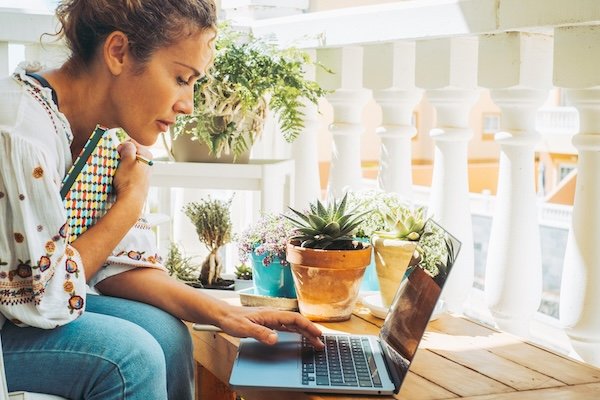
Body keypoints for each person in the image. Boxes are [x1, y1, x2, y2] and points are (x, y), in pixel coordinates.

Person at [0, 0, 324, 399]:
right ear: (118, 52)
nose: (188, 105)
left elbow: (117, 266)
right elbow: (46, 297)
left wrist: (228, 313)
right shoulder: (20, 131)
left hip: (20, 309)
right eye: (181, 78)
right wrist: (129, 204)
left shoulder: (107, 135)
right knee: (130, 358)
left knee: (168, 335)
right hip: (16, 316)